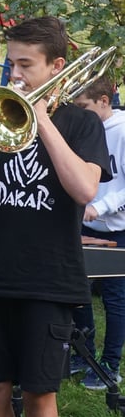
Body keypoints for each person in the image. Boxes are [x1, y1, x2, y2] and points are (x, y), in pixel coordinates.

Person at [0, 16, 109, 417]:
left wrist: (42, 121)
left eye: (26, 65)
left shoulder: (81, 123)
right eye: (11, 64)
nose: (14, 75)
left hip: (48, 277)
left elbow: (84, 189)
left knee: (41, 393)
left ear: (56, 66)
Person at [70, 74, 125, 390]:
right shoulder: (86, 129)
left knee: (115, 300)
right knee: (77, 292)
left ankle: (110, 366)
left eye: (84, 106)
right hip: (83, 223)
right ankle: (83, 354)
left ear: (104, 102)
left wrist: (100, 208)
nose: (79, 113)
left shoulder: (122, 131)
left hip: (117, 230)